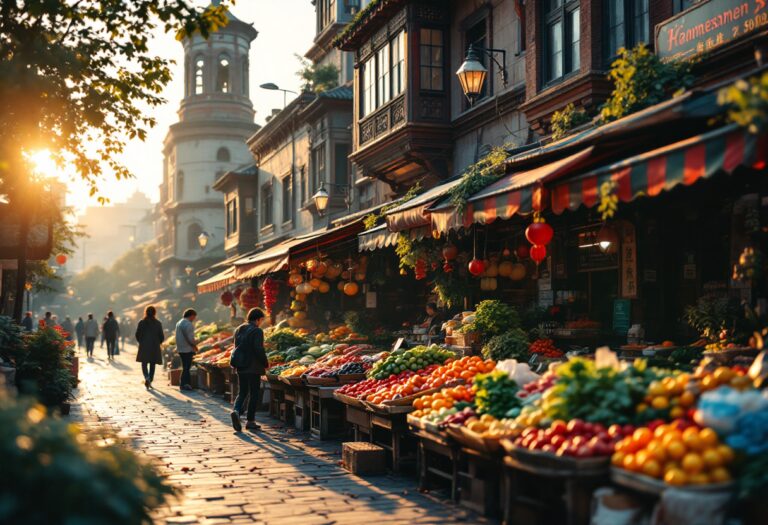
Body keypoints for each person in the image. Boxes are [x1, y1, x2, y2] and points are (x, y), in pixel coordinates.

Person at [230, 308, 268, 432]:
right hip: (253, 367)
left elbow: (236, 347)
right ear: (258, 319)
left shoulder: (239, 329)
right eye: (261, 320)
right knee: (254, 393)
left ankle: (236, 411)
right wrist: (265, 362)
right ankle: (250, 421)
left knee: (243, 392)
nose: (261, 322)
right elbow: (258, 349)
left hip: (241, 366)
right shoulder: (257, 331)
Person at [135, 306, 164, 389]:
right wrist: (158, 343)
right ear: (155, 313)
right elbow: (161, 336)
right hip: (154, 346)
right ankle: (150, 379)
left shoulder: (141, 322)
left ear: (146, 312)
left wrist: (141, 342)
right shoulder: (158, 323)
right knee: (152, 363)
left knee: (144, 363)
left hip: (144, 346)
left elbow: (137, 334)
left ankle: (146, 377)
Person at [174, 308, 198, 391]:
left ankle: (183, 383)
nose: (194, 319)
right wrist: (194, 345)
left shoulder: (179, 323)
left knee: (185, 367)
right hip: (187, 349)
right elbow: (191, 338)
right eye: (194, 317)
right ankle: (185, 384)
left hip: (180, 348)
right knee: (186, 367)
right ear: (191, 316)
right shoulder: (188, 324)